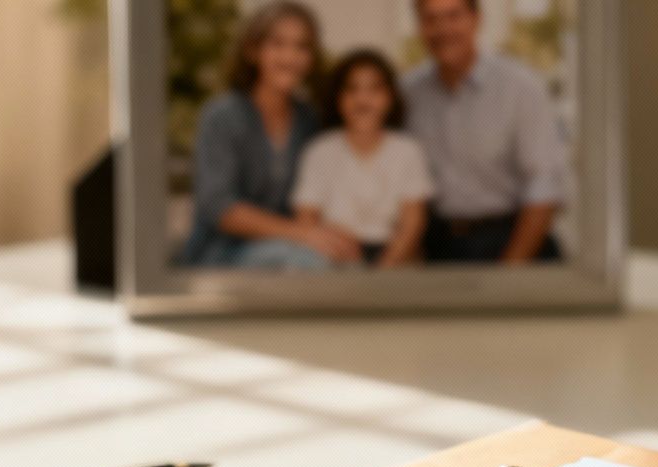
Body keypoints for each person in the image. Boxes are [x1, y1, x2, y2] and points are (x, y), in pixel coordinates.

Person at [180, 1, 359, 270]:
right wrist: (303, 234)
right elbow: (218, 207)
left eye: (302, 47)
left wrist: (334, 235)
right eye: (278, 44)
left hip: (288, 249)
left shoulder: (308, 120)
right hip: (222, 256)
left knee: (351, 262)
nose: (290, 57)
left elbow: (314, 198)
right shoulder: (222, 116)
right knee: (310, 264)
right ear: (253, 51)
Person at [402, 0, 569, 264]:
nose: (442, 29)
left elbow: (544, 187)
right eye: (430, 19)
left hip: (512, 239)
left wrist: (510, 271)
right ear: (419, 27)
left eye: (453, 16)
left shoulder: (521, 88)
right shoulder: (407, 94)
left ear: (476, 19)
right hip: (439, 248)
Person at [291, 49, 434, 268]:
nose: (363, 99)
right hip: (332, 258)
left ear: (389, 97)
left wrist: (385, 269)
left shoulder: (407, 151)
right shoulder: (319, 151)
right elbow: (307, 218)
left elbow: (412, 222)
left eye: (374, 89)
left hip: (394, 258)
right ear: (338, 98)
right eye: (352, 89)